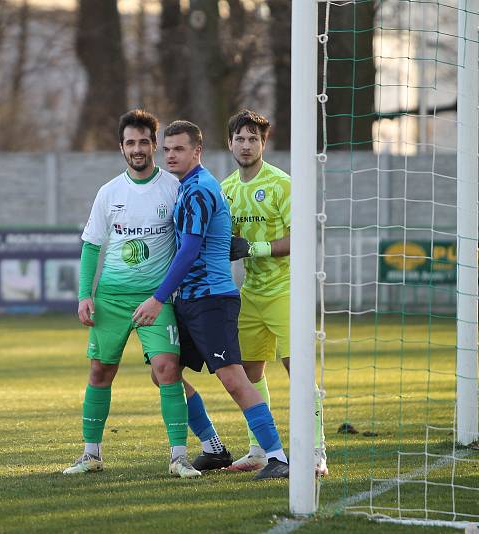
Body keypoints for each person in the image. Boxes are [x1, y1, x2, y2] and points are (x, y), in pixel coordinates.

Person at [133, 120, 290, 480]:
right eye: (167, 149)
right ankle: (214, 448)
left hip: (211, 300)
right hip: (189, 301)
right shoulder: (186, 187)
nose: (171, 155)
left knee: (234, 380)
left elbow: (189, 251)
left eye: (179, 149)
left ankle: (278, 456)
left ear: (197, 152)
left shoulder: (200, 189)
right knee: (164, 372)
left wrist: (158, 298)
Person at [62, 109, 204, 478]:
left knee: (167, 369)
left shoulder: (175, 188)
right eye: (130, 142)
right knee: (100, 371)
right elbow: (92, 246)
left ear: (154, 144)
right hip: (111, 298)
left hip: (157, 299)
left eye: (144, 141)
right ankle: (91, 454)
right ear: (121, 147)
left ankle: (179, 457)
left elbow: (191, 241)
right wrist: (84, 295)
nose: (137, 148)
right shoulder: (109, 193)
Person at [220, 109, 327, 475]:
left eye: (253, 138)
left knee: (298, 371)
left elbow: (301, 238)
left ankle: (316, 451)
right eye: (240, 138)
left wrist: (254, 248)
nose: (246, 145)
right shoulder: (227, 190)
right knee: (249, 373)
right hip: (251, 293)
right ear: (229, 142)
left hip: (287, 291)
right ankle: (260, 449)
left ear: (264, 143)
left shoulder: (282, 184)